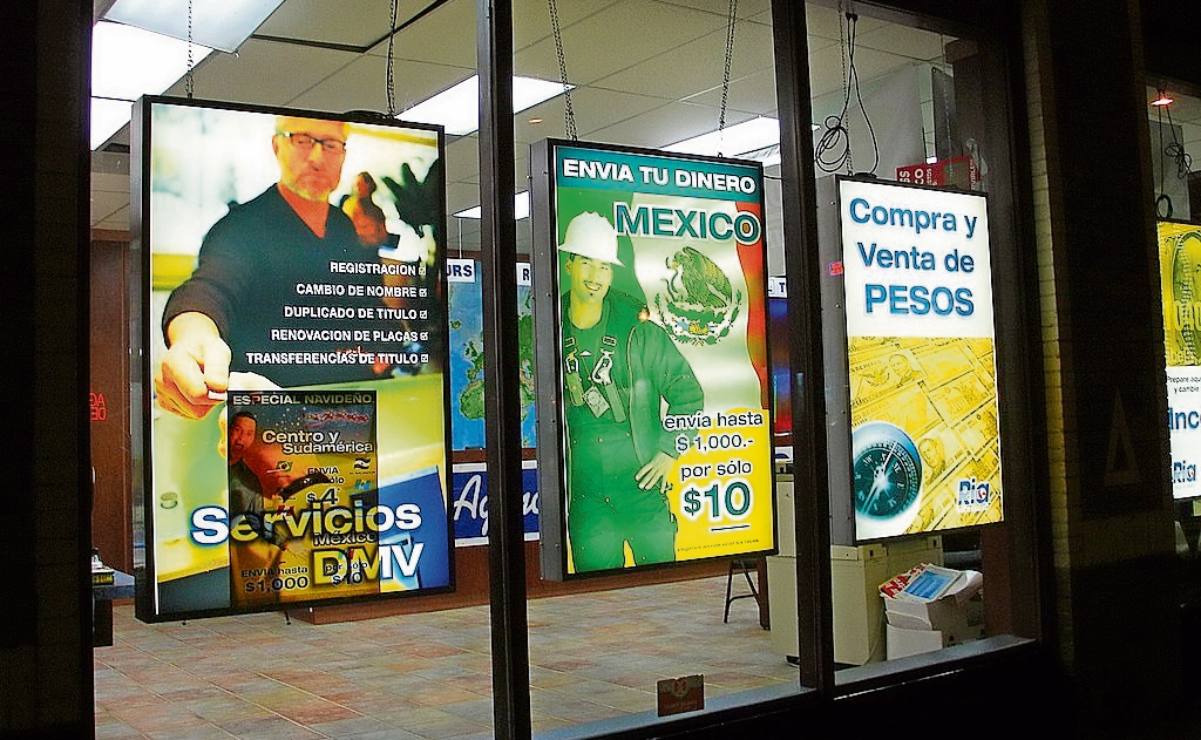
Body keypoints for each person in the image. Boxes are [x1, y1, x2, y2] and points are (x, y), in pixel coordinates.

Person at [156, 116, 389, 419]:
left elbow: (365, 303)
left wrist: (385, 337)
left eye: (331, 144)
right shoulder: (238, 228)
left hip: (351, 413)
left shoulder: (344, 226)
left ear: (343, 154)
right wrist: (192, 336)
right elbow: (210, 289)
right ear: (277, 145)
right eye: (302, 140)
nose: (317, 158)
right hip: (268, 423)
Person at [557, 212, 704, 572]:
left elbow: (689, 395)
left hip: (643, 490)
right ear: (568, 265)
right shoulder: (548, 328)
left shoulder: (642, 333)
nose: (595, 277)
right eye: (586, 264)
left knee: (664, 594)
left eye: (604, 267)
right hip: (586, 497)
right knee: (596, 602)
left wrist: (670, 451)